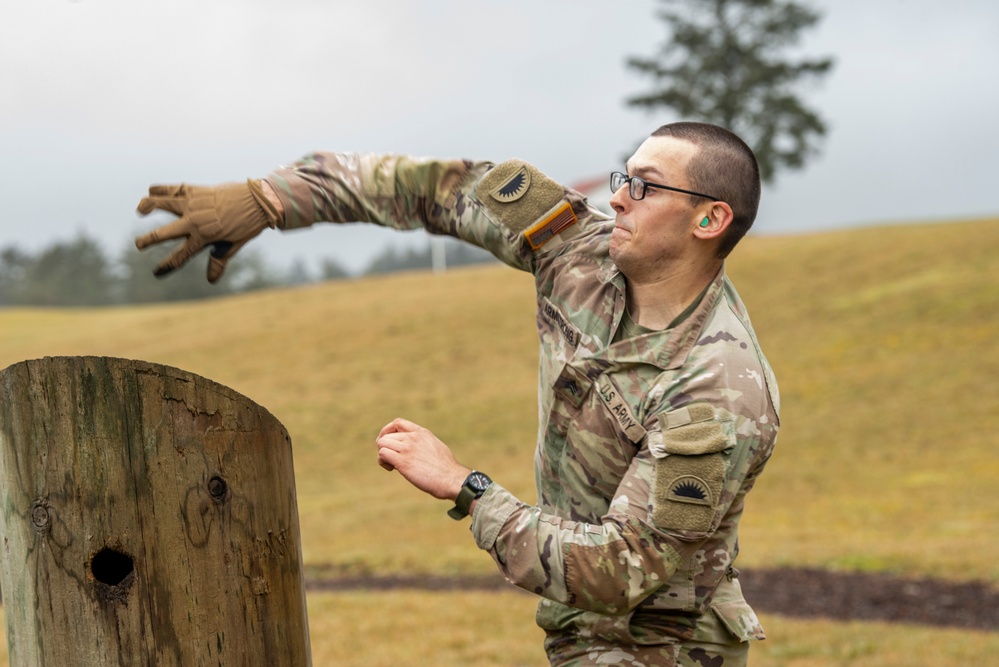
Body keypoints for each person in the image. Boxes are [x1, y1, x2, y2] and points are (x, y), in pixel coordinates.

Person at [136, 121, 780, 666]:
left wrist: (467, 488)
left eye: (645, 186)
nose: (618, 200)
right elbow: (434, 190)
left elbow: (617, 570)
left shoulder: (719, 390)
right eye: (623, 179)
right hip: (578, 632)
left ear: (709, 218)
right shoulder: (575, 250)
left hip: (663, 648)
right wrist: (271, 198)